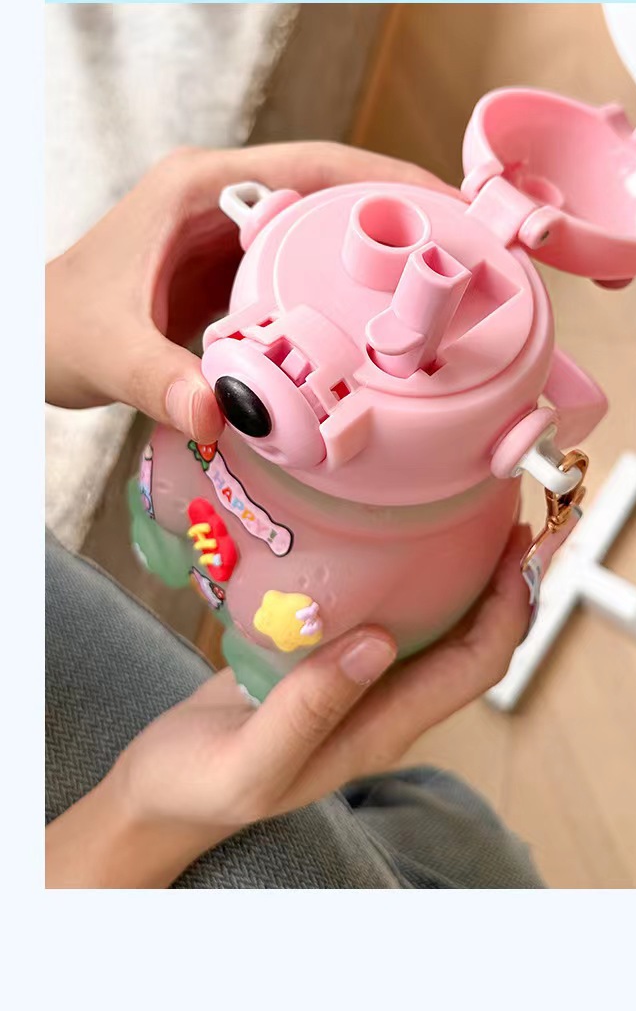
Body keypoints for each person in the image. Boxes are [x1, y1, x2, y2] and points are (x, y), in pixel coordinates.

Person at [45, 141, 569, 888]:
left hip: (353, 546)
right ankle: (169, 543)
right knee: (462, 849)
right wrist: (139, 814)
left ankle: (259, 653)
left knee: (288, 623)